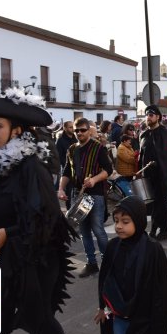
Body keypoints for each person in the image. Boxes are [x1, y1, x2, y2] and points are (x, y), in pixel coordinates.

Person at [0, 88, 77, 334]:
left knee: (40, 322)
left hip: (25, 264)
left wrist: (9, 234)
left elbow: (46, 219)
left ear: (16, 131)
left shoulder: (31, 167)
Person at [94, 196, 167, 334]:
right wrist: (103, 307)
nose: (119, 226)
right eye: (116, 221)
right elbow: (105, 279)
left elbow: (161, 295)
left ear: (138, 220)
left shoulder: (153, 250)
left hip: (143, 323)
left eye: (125, 221)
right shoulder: (113, 247)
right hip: (119, 319)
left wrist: (158, 331)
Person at [59, 117, 113, 278]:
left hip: (95, 194)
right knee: (84, 231)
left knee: (97, 229)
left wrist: (94, 180)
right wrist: (61, 188)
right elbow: (67, 172)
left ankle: (108, 263)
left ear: (89, 130)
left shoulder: (98, 148)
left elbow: (108, 170)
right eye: (77, 130)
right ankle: (91, 263)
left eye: (83, 130)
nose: (80, 133)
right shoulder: (71, 149)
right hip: (78, 194)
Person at [138, 105, 167, 240]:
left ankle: (163, 230)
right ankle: (154, 228)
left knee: (162, 203)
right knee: (152, 204)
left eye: (151, 115)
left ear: (158, 117)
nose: (148, 117)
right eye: (147, 115)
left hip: (162, 175)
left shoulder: (166, 133)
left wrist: (165, 175)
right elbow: (141, 155)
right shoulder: (144, 134)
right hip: (148, 175)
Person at [56, 121, 76, 209]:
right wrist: (67, 164)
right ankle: (69, 209)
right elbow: (59, 156)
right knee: (69, 190)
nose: (73, 129)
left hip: (78, 169)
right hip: (67, 169)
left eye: (73, 127)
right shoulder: (60, 141)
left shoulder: (76, 139)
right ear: (65, 128)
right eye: (70, 127)